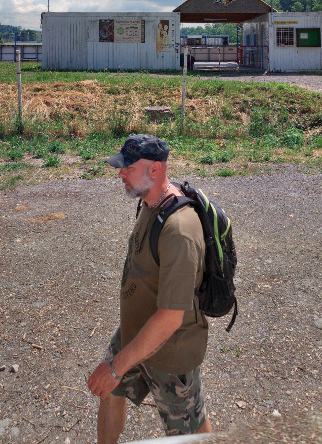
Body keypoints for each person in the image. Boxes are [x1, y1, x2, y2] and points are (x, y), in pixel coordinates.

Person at [87, 134, 212, 442]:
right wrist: (117, 366)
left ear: (155, 170)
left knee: (190, 430)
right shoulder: (149, 201)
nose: (120, 173)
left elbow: (170, 318)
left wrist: (116, 367)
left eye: (128, 167)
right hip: (135, 331)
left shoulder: (179, 230)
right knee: (110, 392)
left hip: (170, 352)